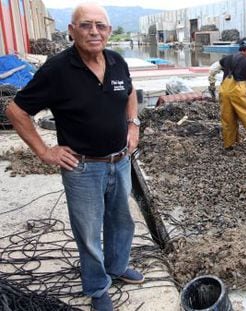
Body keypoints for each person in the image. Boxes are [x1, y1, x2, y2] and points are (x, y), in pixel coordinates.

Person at [6, 3, 143, 310]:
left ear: (108, 31)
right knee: (89, 232)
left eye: (100, 26)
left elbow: (131, 92)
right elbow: (15, 110)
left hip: (120, 161)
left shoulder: (117, 60)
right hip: (83, 168)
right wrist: (44, 151)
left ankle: (117, 266)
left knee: (122, 222)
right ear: (72, 30)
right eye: (86, 25)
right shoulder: (57, 69)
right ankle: (97, 288)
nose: (94, 31)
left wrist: (133, 125)